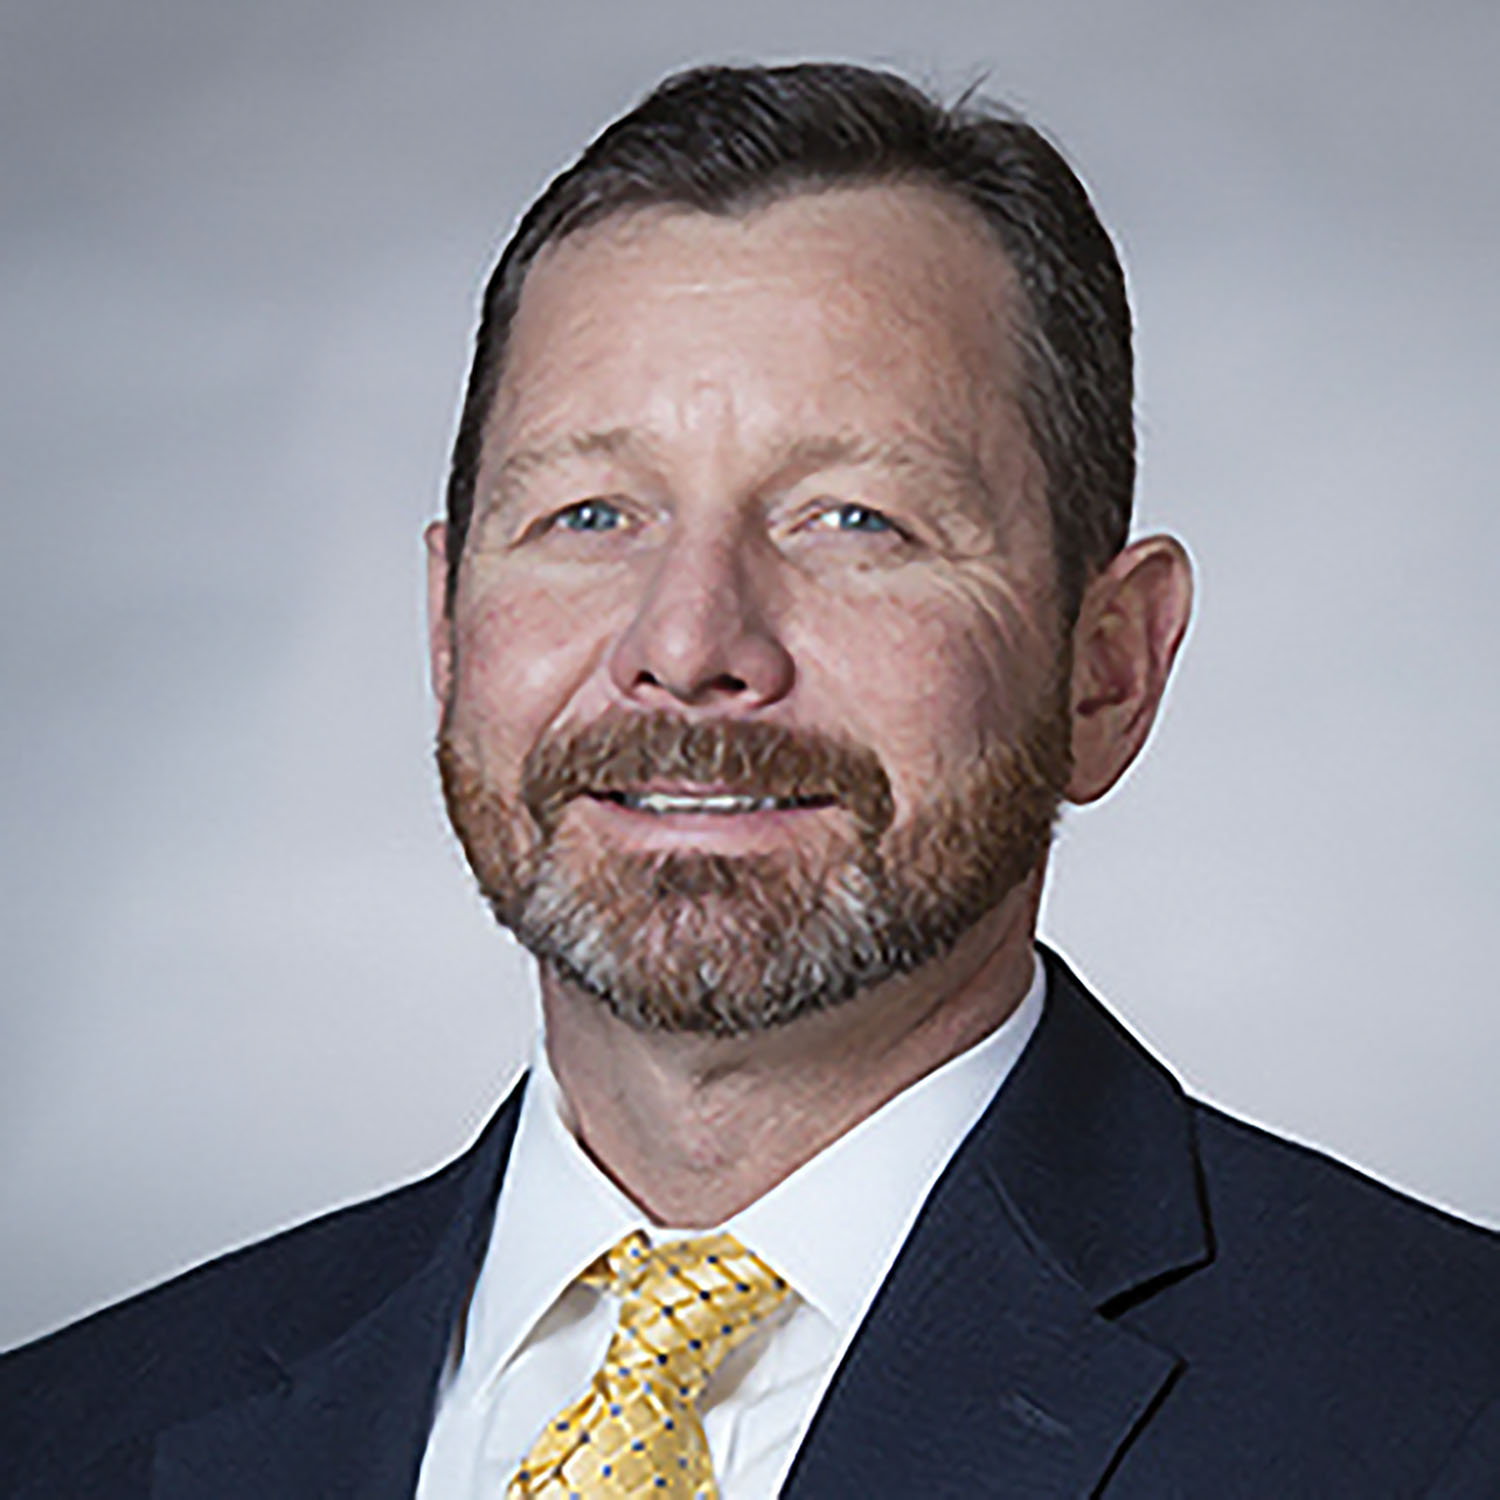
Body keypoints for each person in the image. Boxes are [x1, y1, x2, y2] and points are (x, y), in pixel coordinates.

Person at [2, 60, 1498, 1500]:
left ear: (1107, 667)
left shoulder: (1445, 1415)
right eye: (590, 515)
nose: (688, 645)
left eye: (855, 520)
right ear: (448, 630)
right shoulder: (65, 1435)